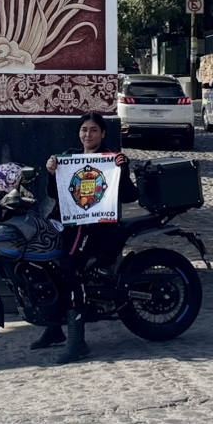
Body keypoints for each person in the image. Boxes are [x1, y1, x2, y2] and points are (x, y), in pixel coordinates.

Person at [39, 111, 137, 364]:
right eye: (84, 130)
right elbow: (54, 193)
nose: (88, 135)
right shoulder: (69, 158)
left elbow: (128, 196)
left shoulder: (111, 159)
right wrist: (51, 172)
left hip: (95, 227)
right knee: (43, 262)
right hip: (66, 223)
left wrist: (121, 170)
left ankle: (77, 340)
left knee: (71, 268)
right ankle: (54, 328)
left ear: (103, 133)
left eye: (94, 130)